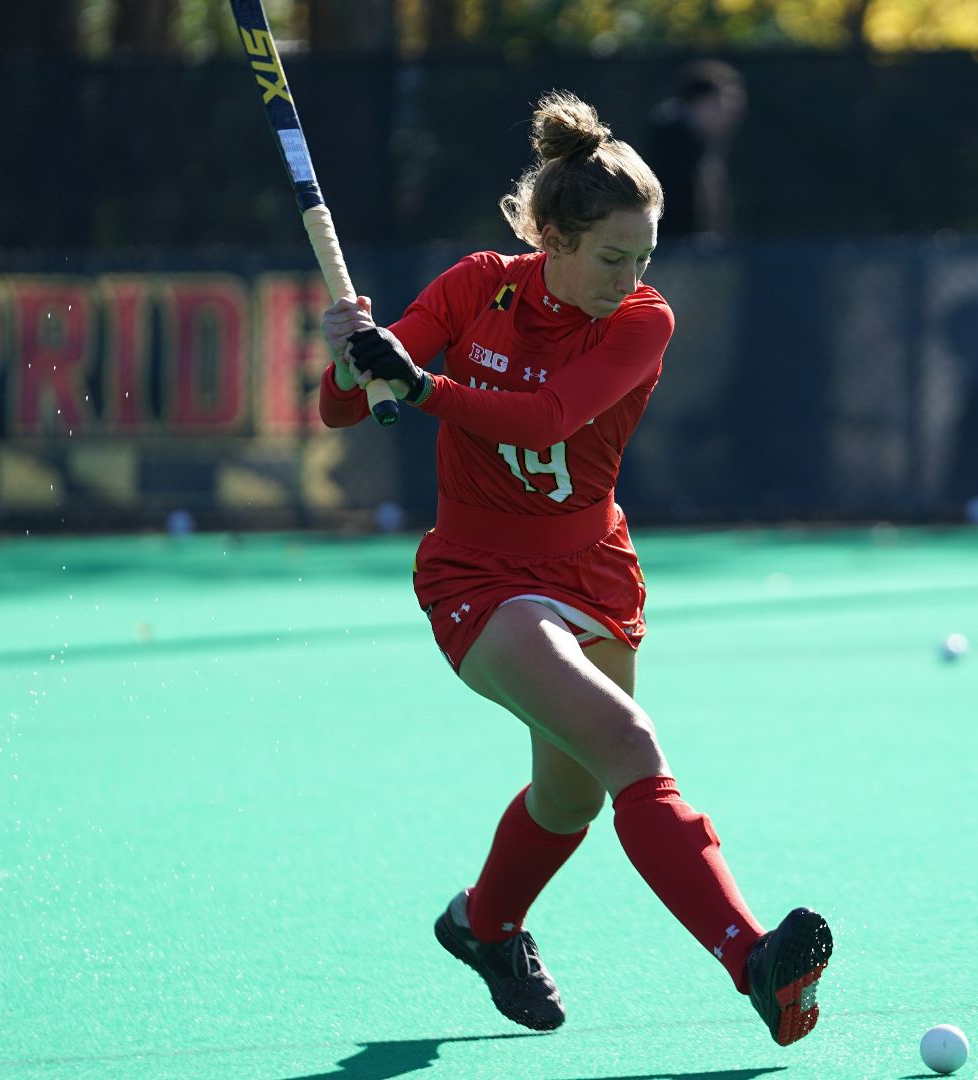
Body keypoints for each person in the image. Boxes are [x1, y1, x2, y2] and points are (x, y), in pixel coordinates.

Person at [315, 90, 832, 1047]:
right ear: (551, 236)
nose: (628, 276)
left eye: (643, 257)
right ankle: (752, 958)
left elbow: (551, 415)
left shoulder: (644, 322)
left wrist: (419, 384)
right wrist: (355, 360)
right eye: (609, 257)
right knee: (630, 744)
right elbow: (342, 412)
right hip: (477, 573)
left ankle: (483, 925)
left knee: (573, 794)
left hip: (591, 568)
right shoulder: (475, 287)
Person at [645, 60, 747, 243]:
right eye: (726, 106)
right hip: (672, 249)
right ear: (705, 101)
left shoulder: (691, 136)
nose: (731, 118)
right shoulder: (673, 136)